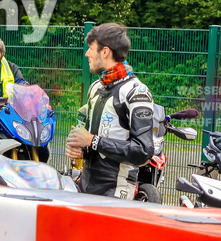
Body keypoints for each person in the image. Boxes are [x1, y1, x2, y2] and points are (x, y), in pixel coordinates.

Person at [65, 23, 155, 198]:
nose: (87, 54)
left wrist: (93, 140)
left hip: (116, 189)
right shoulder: (95, 88)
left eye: (91, 48)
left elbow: (143, 151)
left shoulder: (136, 92)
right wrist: (77, 146)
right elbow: (88, 136)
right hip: (86, 183)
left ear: (105, 52)